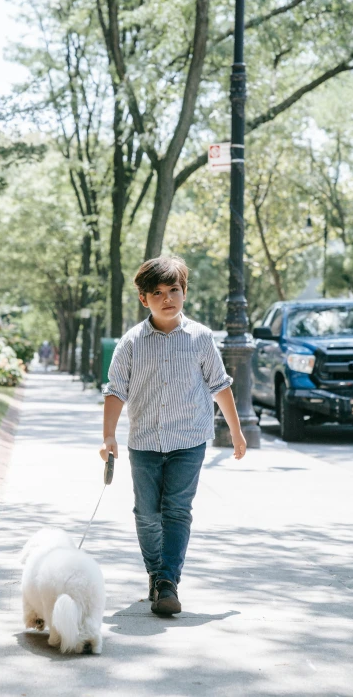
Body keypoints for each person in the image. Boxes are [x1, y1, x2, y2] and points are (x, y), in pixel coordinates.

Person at [100, 256, 246, 616]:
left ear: (184, 293)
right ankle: (155, 573)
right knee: (147, 512)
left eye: (174, 290)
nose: (167, 298)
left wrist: (237, 431)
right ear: (143, 299)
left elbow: (220, 386)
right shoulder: (131, 343)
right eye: (158, 292)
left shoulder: (200, 338)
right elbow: (115, 390)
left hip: (190, 440)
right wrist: (109, 437)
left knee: (177, 510)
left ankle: (168, 582)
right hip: (146, 443)